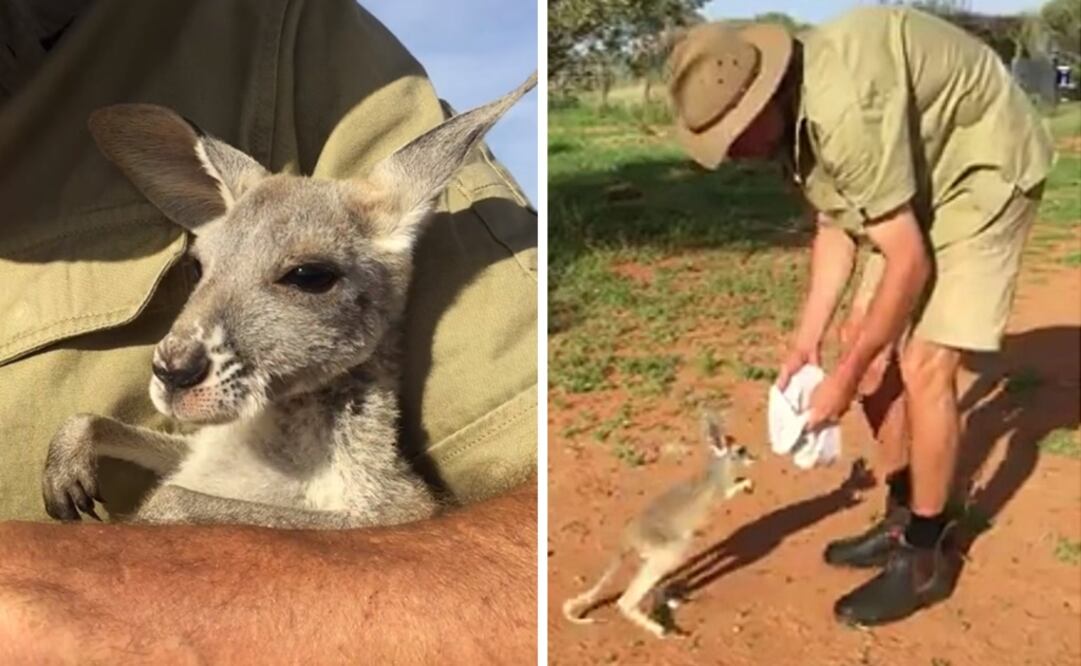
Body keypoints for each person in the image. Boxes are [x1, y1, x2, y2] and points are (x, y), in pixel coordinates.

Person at [0, 0, 537, 661]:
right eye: (202, 270)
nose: (179, 345)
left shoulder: (279, 44)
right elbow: (228, 473)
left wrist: (147, 552)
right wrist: (96, 437)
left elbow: (470, 548)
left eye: (304, 277)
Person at [667, 6, 1052, 625]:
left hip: (980, 163)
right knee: (862, 341)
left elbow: (907, 263)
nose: (733, 154)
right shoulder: (796, 118)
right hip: (913, 182)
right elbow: (836, 226)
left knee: (926, 363)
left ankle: (925, 554)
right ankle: (903, 514)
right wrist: (808, 343)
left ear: (761, 99)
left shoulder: (841, 110)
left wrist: (842, 381)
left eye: (734, 136)